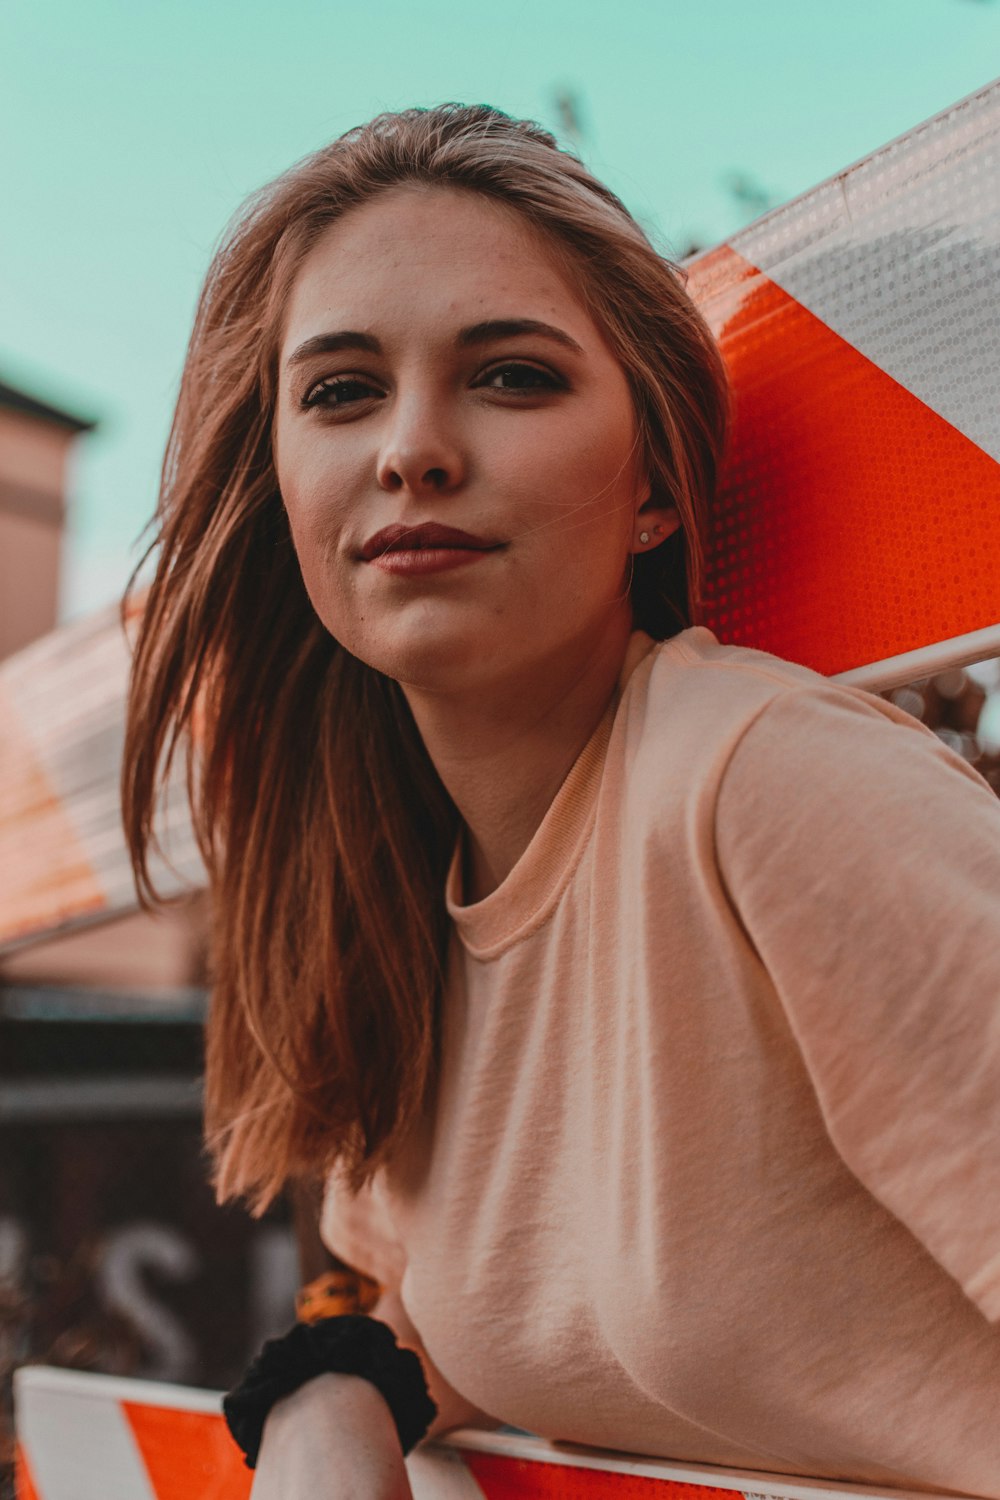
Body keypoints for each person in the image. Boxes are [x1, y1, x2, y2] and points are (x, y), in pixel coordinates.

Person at [122, 104, 1000, 1499]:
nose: (411, 447)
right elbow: (480, 1316)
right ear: (282, 480)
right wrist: (328, 1402)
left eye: (514, 378)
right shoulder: (391, 905)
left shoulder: (767, 785)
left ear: (654, 482)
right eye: (342, 391)